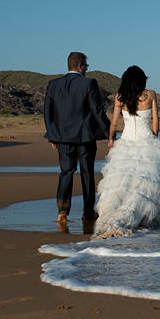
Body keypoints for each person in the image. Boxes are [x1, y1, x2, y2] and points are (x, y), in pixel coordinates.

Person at [92, 65, 160, 239]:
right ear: (142, 79)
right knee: (144, 182)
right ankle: (139, 215)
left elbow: (114, 123)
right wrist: (154, 138)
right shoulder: (150, 94)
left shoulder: (120, 97)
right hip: (146, 142)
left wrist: (111, 139)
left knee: (122, 180)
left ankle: (112, 215)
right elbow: (156, 121)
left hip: (126, 142)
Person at [43, 52, 111, 223]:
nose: (87, 69)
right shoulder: (89, 83)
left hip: (62, 137)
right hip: (85, 137)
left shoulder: (53, 84)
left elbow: (47, 112)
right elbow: (97, 111)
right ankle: (88, 211)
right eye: (86, 66)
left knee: (66, 172)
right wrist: (110, 132)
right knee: (87, 173)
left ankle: (62, 211)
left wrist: (53, 136)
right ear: (80, 66)